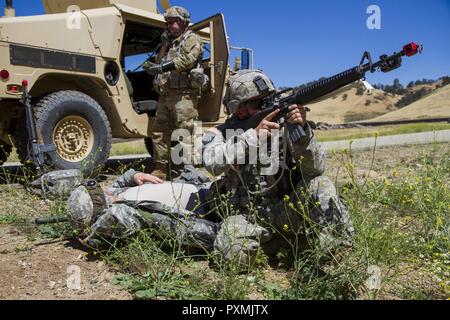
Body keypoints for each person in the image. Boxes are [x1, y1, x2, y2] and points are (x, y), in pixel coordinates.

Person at [201, 69, 355, 264]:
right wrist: (253, 137)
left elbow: (315, 170)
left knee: (321, 185)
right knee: (230, 254)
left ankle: (339, 260)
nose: (268, 107)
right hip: (247, 217)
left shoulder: (283, 127)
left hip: (286, 208)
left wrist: (303, 134)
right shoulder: (220, 133)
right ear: (238, 108)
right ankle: (288, 244)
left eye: (270, 99)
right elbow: (212, 164)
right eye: (259, 103)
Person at [143, 6, 205, 179]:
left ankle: (189, 170)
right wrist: (163, 45)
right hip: (166, 95)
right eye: (167, 23)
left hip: (184, 95)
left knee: (185, 132)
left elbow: (187, 60)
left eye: (173, 22)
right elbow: (158, 61)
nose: (169, 26)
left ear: (183, 22)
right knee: (159, 132)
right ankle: (160, 168)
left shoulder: (192, 38)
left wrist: (162, 67)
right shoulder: (170, 43)